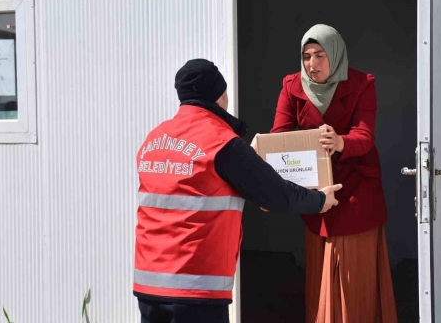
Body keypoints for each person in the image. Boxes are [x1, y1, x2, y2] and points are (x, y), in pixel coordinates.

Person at [133, 58, 343, 323]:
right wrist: (320, 200)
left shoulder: (153, 140)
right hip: (195, 288)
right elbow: (276, 195)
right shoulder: (222, 143)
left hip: (148, 286)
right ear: (220, 94)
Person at [269, 24, 398, 322]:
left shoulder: (362, 83)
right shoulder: (292, 86)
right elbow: (280, 136)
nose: (312, 64)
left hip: (357, 187)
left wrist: (340, 142)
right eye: (306, 56)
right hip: (317, 186)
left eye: (320, 55)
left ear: (336, 54)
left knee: (355, 273)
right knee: (322, 262)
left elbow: (365, 136)